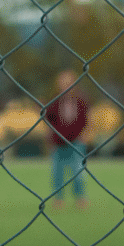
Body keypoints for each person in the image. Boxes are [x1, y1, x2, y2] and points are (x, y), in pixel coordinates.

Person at [44, 70, 89, 208]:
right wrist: (49, 139)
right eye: (63, 83)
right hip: (58, 142)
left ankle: (80, 198)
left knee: (78, 171)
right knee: (57, 172)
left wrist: (85, 135)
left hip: (76, 142)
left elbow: (87, 119)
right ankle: (58, 198)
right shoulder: (54, 102)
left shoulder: (81, 101)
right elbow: (48, 122)